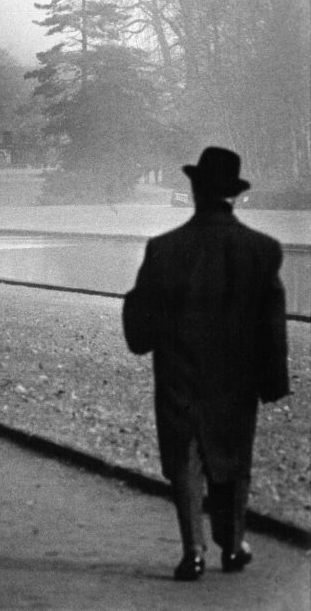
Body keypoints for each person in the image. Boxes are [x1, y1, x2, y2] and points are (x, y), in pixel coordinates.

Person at [123, 146, 290, 582]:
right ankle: (232, 546)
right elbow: (271, 325)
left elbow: (140, 326)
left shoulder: (164, 249)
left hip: (179, 374)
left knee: (183, 461)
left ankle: (192, 551)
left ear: (195, 191)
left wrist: (146, 333)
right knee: (233, 459)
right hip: (235, 379)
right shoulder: (262, 250)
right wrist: (272, 380)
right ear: (232, 196)